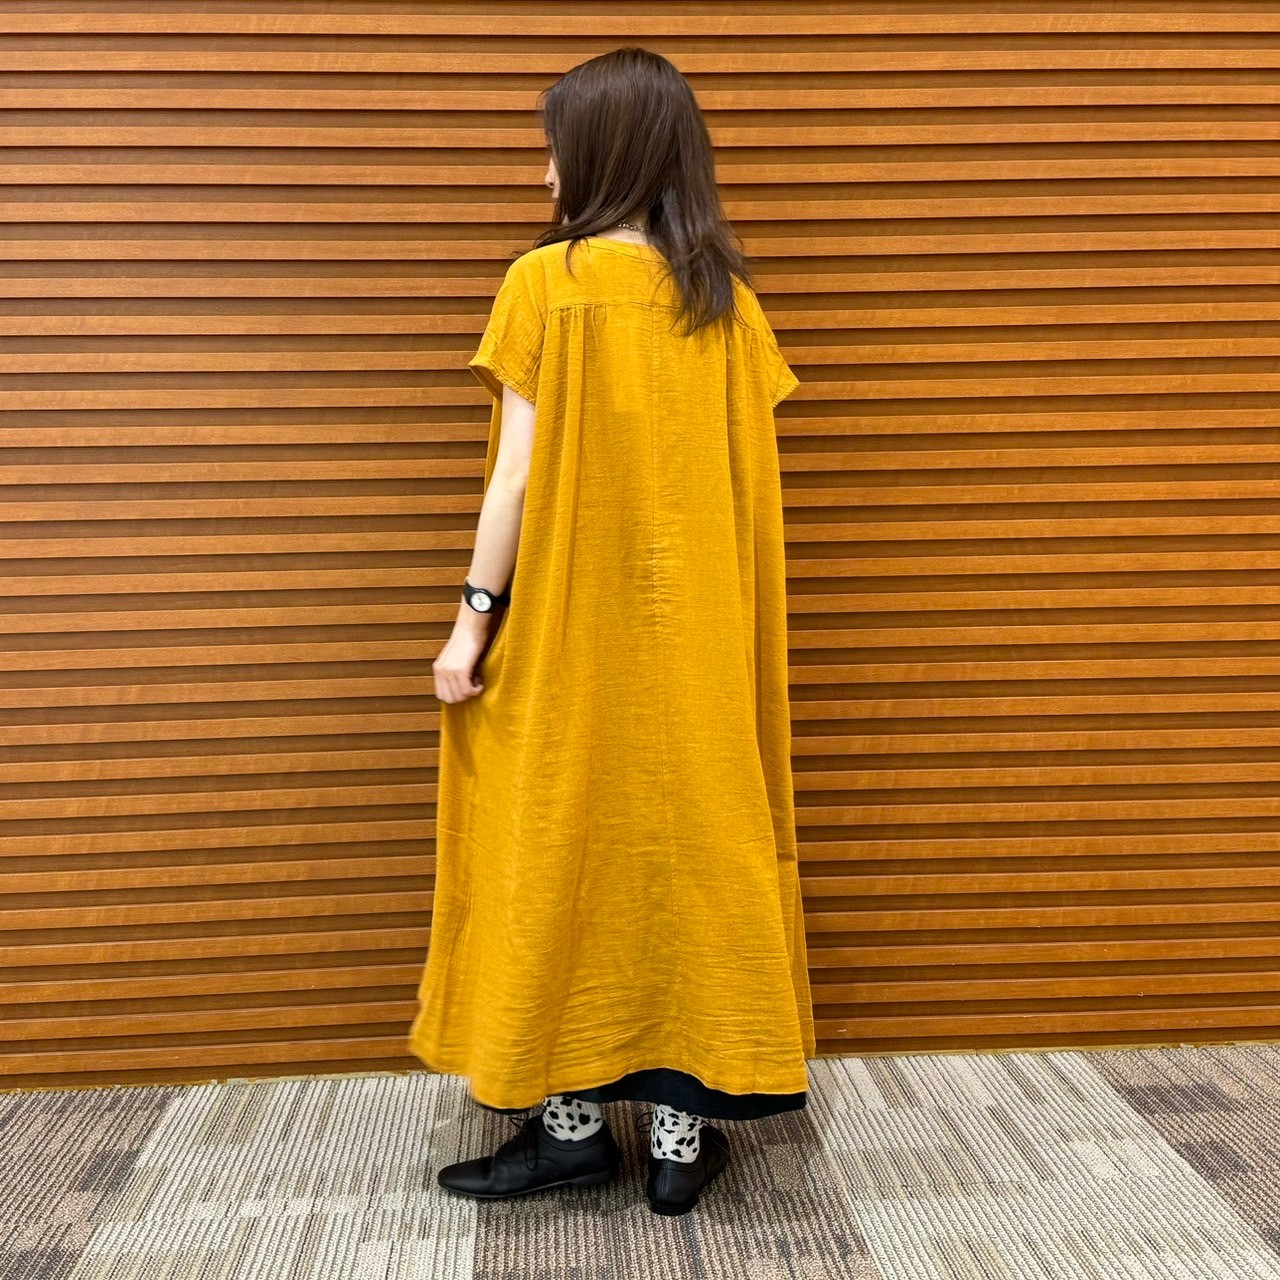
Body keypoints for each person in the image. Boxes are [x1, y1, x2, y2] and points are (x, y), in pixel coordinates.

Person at [407, 45, 815, 1218]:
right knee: (692, 857)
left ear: (599, 153)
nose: (544, 173)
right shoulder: (727, 302)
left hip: (568, 638)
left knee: (557, 850)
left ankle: (573, 1128)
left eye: (553, 149)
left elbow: (514, 478)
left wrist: (469, 622)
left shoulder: (545, 284)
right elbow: (744, 488)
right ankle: (681, 1141)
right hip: (700, 646)